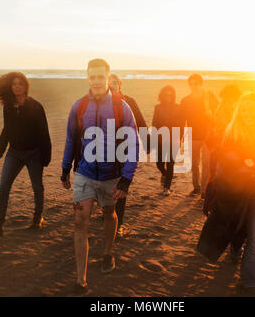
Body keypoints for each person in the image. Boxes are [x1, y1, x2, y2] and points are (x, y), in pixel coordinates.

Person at [61, 59, 139, 295]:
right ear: (87, 78)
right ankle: (80, 280)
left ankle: (107, 253)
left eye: (100, 77)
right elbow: (71, 139)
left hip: (111, 177)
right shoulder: (79, 106)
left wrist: (125, 179)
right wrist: (65, 168)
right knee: (79, 222)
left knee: (109, 214)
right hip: (84, 174)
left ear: (108, 78)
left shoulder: (121, 107)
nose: (96, 81)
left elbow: (133, 143)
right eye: (91, 76)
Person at [198, 92, 255, 295]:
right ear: (239, 112)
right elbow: (223, 163)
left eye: (253, 109)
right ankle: (235, 249)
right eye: (244, 109)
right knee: (236, 230)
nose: (249, 114)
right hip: (234, 192)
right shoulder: (232, 132)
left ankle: (249, 281)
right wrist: (244, 171)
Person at [0, 72, 52, 236]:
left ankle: (38, 219)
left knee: (37, 187)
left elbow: (44, 132)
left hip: (34, 154)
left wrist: (46, 155)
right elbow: (7, 129)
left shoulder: (36, 106)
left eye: (20, 84)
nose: (17, 87)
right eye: (14, 84)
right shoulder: (8, 107)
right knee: (3, 187)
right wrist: (0, 148)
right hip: (14, 153)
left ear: (25, 87)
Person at [108, 74, 148, 237]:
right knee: (106, 183)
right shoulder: (100, 102)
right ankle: (109, 213)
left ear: (120, 85)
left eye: (115, 82)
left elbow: (140, 120)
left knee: (122, 185)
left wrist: (148, 142)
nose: (113, 85)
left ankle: (119, 224)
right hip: (105, 148)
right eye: (109, 83)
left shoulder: (129, 101)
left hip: (125, 148)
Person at [180, 74, 218, 198]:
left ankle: (204, 191)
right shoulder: (185, 100)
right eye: (191, 84)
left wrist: (211, 114)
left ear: (201, 83)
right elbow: (182, 120)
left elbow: (218, 115)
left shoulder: (210, 97)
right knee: (194, 163)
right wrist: (180, 137)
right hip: (192, 135)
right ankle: (196, 187)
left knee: (206, 163)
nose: (193, 86)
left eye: (196, 83)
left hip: (207, 136)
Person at [152, 86, 182, 196]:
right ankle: (165, 175)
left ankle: (167, 187)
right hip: (161, 139)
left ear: (173, 96)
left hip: (173, 139)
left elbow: (181, 125)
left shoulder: (178, 107)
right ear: (162, 96)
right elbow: (154, 124)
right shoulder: (158, 107)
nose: (168, 97)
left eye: (170, 95)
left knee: (170, 164)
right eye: (166, 95)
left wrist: (180, 139)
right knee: (159, 163)